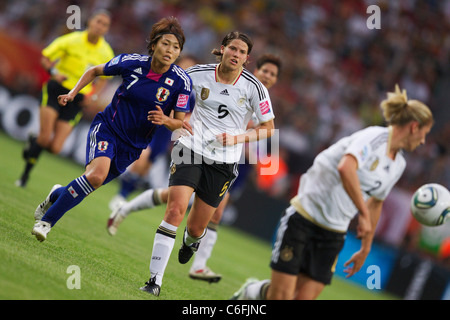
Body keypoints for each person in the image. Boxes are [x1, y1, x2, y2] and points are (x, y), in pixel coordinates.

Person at [231, 84, 434, 300]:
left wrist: (366, 247)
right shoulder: (374, 137)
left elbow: (376, 202)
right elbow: (346, 168)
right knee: (281, 298)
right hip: (305, 218)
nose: (423, 141)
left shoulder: (398, 164)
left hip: (334, 233)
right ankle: (251, 293)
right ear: (414, 127)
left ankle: (256, 291)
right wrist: (363, 214)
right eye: (424, 133)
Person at [107, 54, 282, 284]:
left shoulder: (260, 99)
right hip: (195, 148)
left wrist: (260, 161)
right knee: (180, 206)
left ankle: (186, 243)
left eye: (273, 75)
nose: (268, 77)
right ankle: (189, 268)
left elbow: (269, 140)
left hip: (231, 161)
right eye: (265, 71)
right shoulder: (230, 83)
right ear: (253, 69)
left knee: (200, 211)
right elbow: (186, 96)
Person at [31, 17, 193, 242]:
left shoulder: (182, 82)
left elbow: (179, 122)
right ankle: (46, 222)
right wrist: (73, 93)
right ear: (154, 44)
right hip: (108, 128)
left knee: (89, 183)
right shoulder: (131, 62)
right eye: (166, 43)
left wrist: (165, 119)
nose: (170, 50)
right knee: (95, 176)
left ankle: (56, 193)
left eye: (176, 47)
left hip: (133, 146)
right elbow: (94, 71)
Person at [17, 9, 114, 187]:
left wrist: (92, 97)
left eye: (105, 24)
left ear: (107, 29)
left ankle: (34, 142)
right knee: (45, 138)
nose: (100, 27)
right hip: (57, 90)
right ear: (90, 22)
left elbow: (104, 80)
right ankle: (24, 176)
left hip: (77, 99)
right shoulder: (72, 40)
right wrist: (54, 72)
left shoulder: (106, 52)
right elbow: (46, 57)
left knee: (55, 148)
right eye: (98, 22)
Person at [108, 55, 198, 210]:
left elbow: (188, 116)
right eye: (184, 66)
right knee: (142, 158)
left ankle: (125, 195)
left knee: (145, 168)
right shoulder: (165, 81)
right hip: (151, 126)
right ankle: (120, 195)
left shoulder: (189, 93)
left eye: (189, 68)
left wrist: (178, 121)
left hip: (165, 134)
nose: (186, 71)